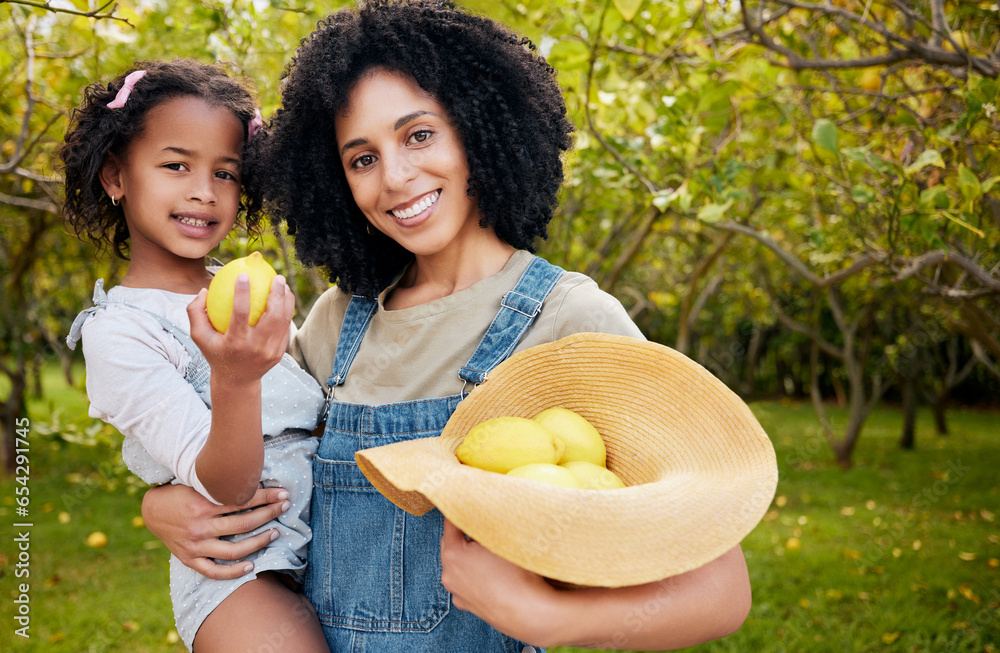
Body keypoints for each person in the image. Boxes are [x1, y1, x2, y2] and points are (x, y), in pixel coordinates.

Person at [141, 2, 753, 650]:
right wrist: (161, 507)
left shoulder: (571, 322)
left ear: (477, 126)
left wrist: (553, 618)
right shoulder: (336, 325)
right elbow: (255, 469)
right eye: (362, 158)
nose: (397, 178)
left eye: (419, 135)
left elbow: (719, 591)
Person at [61, 59, 330, 652]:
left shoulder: (242, 291)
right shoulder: (123, 332)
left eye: (226, 173)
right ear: (115, 176)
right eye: (176, 165)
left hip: (329, 542)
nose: (203, 192)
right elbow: (227, 490)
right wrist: (235, 378)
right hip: (240, 569)